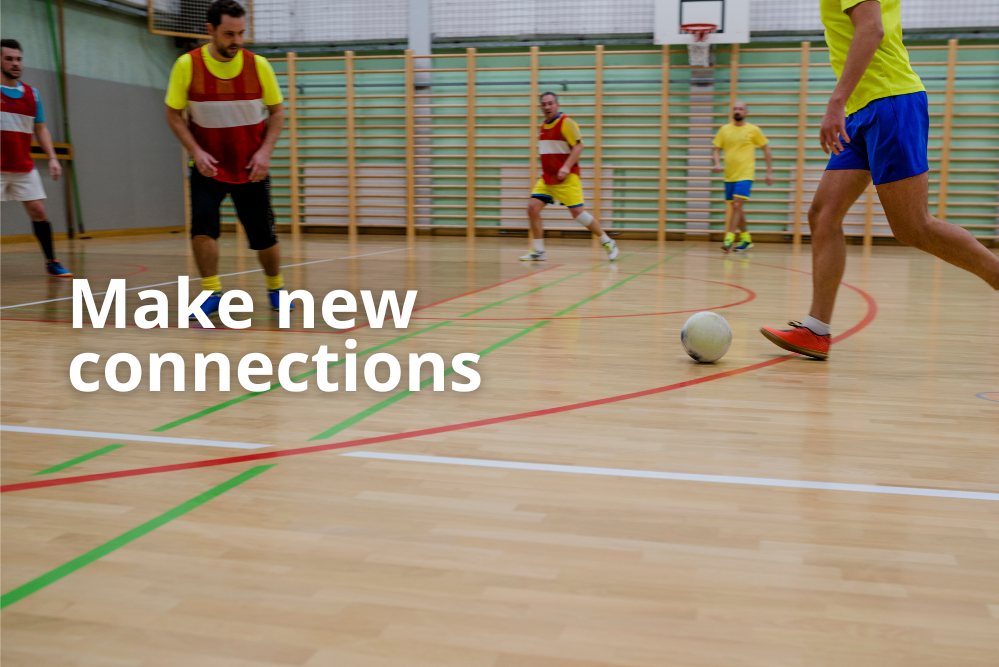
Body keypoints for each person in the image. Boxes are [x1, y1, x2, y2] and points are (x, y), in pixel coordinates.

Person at [761, 0, 999, 360]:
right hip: (863, 111)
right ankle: (816, 331)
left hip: (890, 101)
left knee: (912, 226)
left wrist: (835, 101)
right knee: (823, 214)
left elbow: (871, 28)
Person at [164, 0, 291, 317]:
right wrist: (195, 150)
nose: (236, 41)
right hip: (208, 168)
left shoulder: (259, 65)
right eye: (229, 34)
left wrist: (264, 152)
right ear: (211, 31)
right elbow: (173, 114)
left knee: (264, 236)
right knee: (202, 230)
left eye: (241, 33)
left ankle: (276, 288)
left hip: (251, 169)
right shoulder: (186, 66)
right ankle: (211, 293)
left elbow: (277, 113)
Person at [1, 39, 72, 277]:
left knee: (39, 211)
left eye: (18, 59)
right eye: (9, 59)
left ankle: (52, 262)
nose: (15, 64)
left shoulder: (32, 94)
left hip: (23, 166)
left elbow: (40, 128)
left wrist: (52, 158)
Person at [520, 92, 619, 262]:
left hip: (567, 178)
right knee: (532, 208)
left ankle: (607, 241)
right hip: (547, 179)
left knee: (579, 215)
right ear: (540, 107)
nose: (547, 107)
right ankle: (539, 251)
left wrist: (566, 166)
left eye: (550, 103)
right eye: (544, 104)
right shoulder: (543, 126)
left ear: (557, 104)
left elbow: (579, 146)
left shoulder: (566, 122)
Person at [712, 101, 773, 252]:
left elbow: (766, 149)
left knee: (737, 205)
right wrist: (717, 163)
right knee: (737, 208)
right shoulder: (724, 130)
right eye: (735, 109)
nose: (737, 111)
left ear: (746, 112)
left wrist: (769, 171)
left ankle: (728, 239)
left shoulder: (753, 130)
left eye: (740, 109)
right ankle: (746, 239)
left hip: (745, 174)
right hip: (729, 175)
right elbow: (716, 150)